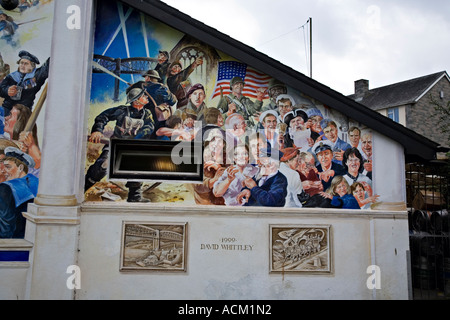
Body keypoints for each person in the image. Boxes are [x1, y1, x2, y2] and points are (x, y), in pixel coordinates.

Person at [84, 87, 155, 191]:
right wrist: (97, 130)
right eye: (143, 95)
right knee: (103, 165)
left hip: (134, 147)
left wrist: (138, 137)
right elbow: (103, 116)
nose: (146, 97)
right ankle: (84, 186)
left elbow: (150, 127)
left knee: (138, 167)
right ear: (136, 100)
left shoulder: (147, 114)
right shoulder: (122, 111)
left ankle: (134, 196)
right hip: (115, 145)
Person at [0, 146, 39, 238]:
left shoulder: (5, 188)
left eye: (7, 167)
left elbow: (5, 227)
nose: (3, 170)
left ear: (21, 168)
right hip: (32, 239)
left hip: (12, 244)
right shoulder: (37, 182)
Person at [128, 69, 177, 138]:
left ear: (148, 77)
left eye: (145, 77)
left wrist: (133, 86)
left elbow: (130, 94)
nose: (145, 79)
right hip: (161, 116)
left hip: (145, 117)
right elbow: (173, 101)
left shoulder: (140, 85)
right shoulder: (163, 88)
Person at [0, 50, 50, 116]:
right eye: (21, 63)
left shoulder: (36, 75)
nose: (23, 65)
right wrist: (7, 90)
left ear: (32, 66)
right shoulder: (12, 76)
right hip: (7, 109)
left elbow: (46, 67)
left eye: (26, 63)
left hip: (23, 111)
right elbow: (1, 89)